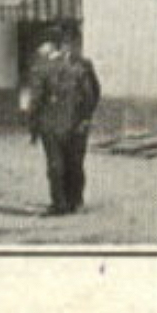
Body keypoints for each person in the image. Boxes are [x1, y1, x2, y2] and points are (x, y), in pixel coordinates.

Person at [27, 32, 100, 215]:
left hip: (51, 123)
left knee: (56, 164)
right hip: (77, 123)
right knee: (74, 163)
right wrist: (86, 117)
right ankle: (75, 201)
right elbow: (95, 93)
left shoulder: (42, 67)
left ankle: (60, 203)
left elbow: (35, 100)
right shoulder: (83, 65)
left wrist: (32, 126)